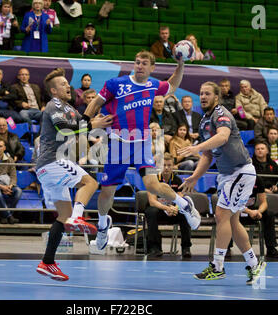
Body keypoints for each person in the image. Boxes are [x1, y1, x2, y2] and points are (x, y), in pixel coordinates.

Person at [83, 50, 201, 253]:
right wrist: (85, 123)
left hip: (142, 143)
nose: (139, 66)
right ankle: (103, 226)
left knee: (153, 185)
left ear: (152, 68)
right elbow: (95, 102)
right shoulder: (116, 84)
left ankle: (185, 205)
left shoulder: (153, 85)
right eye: (137, 62)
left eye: (144, 63)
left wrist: (181, 64)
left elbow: (172, 85)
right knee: (106, 193)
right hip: (118, 143)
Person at [179, 81, 266, 285]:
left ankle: (218, 266)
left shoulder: (221, 113)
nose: (203, 96)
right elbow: (208, 155)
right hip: (227, 175)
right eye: (201, 93)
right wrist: (195, 176)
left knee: (221, 215)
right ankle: (254, 265)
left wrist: (195, 147)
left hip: (240, 171)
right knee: (232, 221)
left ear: (216, 97)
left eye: (207, 93)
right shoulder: (203, 122)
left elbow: (223, 137)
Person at [35, 67, 113, 281]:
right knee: (90, 183)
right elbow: (65, 128)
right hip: (53, 162)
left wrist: (101, 119)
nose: (67, 86)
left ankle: (47, 262)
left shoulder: (69, 107)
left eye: (67, 83)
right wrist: (90, 124)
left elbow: (85, 125)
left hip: (49, 168)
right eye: (62, 84)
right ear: (53, 90)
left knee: (63, 216)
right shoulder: (53, 106)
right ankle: (79, 217)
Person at [145, 153, 192, 258]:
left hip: (172, 210)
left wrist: (176, 208)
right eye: (164, 165)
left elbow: (180, 199)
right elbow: (152, 201)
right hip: (158, 209)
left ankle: (186, 248)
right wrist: (167, 208)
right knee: (151, 212)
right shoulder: (152, 179)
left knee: (185, 213)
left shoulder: (177, 180)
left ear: (173, 166)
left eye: (169, 165)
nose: (166, 168)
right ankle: (154, 247)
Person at [230, 176, 278, 258]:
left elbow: (264, 203)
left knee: (269, 215)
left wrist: (258, 212)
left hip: (251, 212)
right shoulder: (235, 178)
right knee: (227, 216)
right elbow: (233, 203)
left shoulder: (257, 179)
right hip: (235, 210)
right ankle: (226, 249)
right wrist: (249, 211)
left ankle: (271, 248)